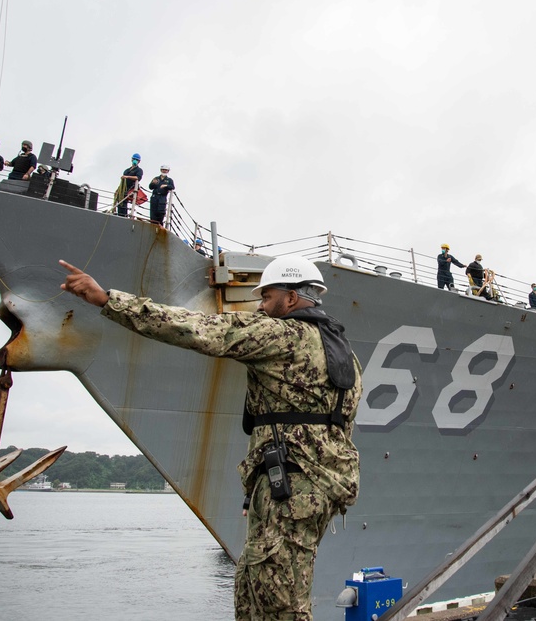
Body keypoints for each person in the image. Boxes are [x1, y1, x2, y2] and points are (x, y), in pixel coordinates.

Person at [59, 255, 361, 621]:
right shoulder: (344, 351)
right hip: (310, 483)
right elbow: (342, 424)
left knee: (280, 602)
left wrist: (108, 300)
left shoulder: (281, 334)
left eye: (266, 297)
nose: (261, 306)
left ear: (292, 298)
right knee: (254, 584)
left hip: (292, 487)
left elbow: (199, 328)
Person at [114, 153, 144, 217]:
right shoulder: (127, 170)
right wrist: (118, 190)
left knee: (124, 204)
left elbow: (138, 178)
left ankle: (123, 216)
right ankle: (119, 215)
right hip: (122, 189)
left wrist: (127, 177)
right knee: (119, 203)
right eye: (134, 159)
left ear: (139, 161)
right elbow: (122, 181)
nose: (135, 160)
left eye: (136, 159)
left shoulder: (139, 170)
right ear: (131, 159)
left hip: (130, 189)